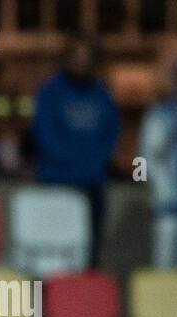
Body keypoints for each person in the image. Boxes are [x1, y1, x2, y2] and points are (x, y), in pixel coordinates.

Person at [32, 35, 119, 267]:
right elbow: (46, 138)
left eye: (87, 57)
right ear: (66, 59)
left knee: (90, 253)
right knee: (57, 252)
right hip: (57, 184)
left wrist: (93, 165)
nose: (81, 62)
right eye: (77, 57)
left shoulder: (102, 94)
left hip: (92, 186)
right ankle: (55, 302)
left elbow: (110, 137)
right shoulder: (50, 92)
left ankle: (87, 301)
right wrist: (80, 164)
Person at [138, 57, 177, 268]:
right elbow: (141, 157)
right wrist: (142, 183)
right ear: (174, 81)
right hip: (167, 204)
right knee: (166, 266)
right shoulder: (158, 114)